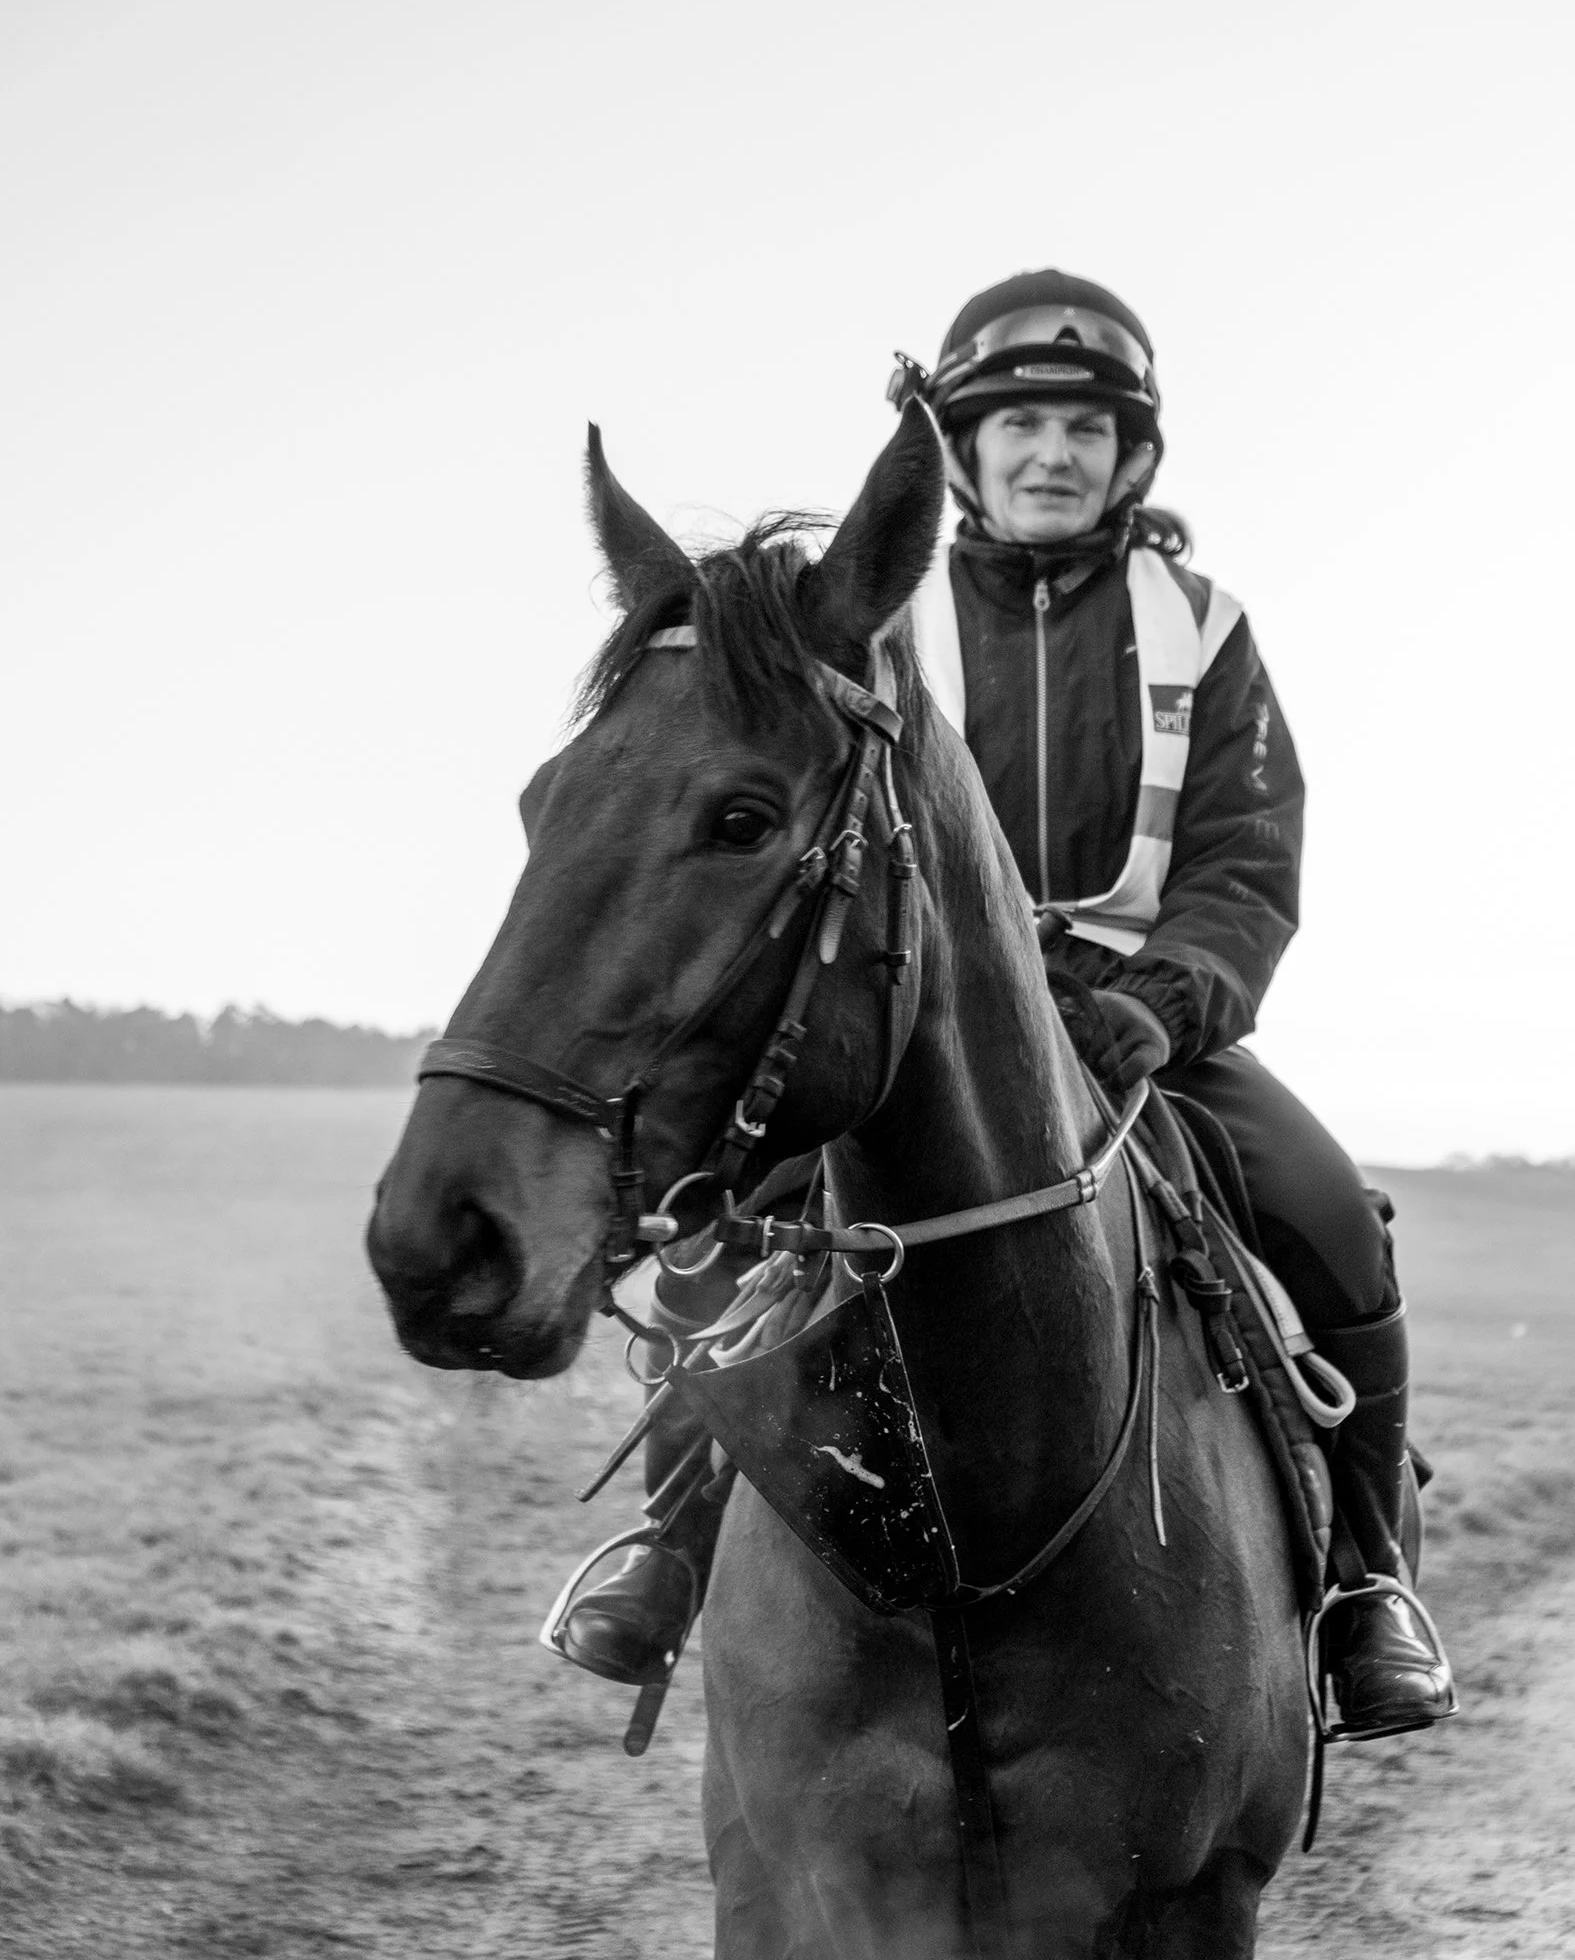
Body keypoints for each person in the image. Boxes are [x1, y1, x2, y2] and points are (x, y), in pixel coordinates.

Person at [556, 269, 1454, 1741]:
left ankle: (1360, 1586)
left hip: (1145, 1033)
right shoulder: (870, 630)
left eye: (1085, 430)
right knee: (735, 1220)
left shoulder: (1204, 627)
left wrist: (1164, 1001)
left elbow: (1245, 862)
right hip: (920, 1025)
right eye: (1020, 424)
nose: (1053, 453)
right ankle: (669, 1542)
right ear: (964, 456)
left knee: (1332, 1220)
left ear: (1131, 458)